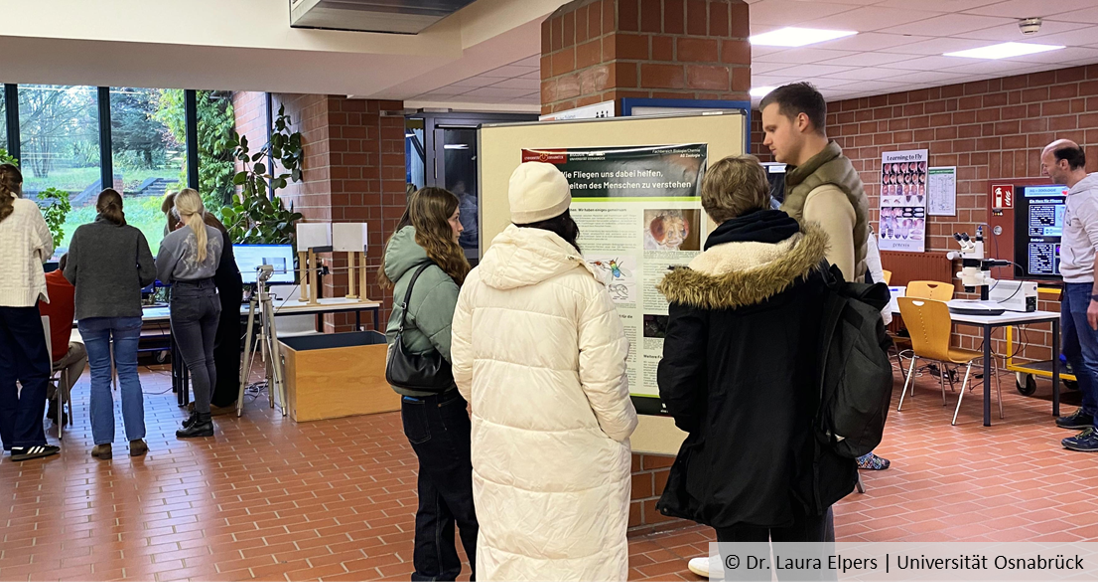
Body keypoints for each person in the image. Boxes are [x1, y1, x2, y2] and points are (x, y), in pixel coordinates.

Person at [656, 156, 855, 562]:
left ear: (710, 209)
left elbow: (679, 385)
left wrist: (711, 427)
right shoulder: (813, 268)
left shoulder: (697, 283)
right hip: (805, 453)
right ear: (766, 197)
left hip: (731, 458)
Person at [451, 162, 637, 581]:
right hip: (574, 459)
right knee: (574, 560)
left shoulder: (478, 281)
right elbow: (605, 384)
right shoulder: (584, 288)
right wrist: (622, 428)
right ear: (564, 215)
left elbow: (465, 372)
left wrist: (498, 412)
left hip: (500, 449)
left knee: (510, 554)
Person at [761, 81, 889, 472]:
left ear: (801, 122)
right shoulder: (812, 179)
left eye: (771, 129)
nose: (765, 140)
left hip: (816, 363)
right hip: (807, 355)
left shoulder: (824, 193)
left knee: (810, 484)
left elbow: (833, 290)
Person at [379, 187, 478, 582]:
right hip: (439, 408)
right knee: (468, 501)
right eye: (454, 219)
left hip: (420, 408)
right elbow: (460, 349)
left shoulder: (415, 268)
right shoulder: (434, 280)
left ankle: (432, 575)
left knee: (435, 502)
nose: (462, 226)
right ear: (438, 226)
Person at [65, 189, 156, 459]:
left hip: (91, 313)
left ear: (97, 207)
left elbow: (70, 274)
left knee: (101, 376)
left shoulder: (81, 234)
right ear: (121, 206)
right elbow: (150, 273)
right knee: (128, 373)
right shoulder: (134, 234)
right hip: (127, 311)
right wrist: (130, 284)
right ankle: (136, 440)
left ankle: (103, 444)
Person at [0, 163, 60, 462]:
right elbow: (47, 247)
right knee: (36, 370)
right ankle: (28, 439)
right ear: (19, 184)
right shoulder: (26, 209)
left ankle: (11, 438)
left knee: (4, 372)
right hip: (20, 298)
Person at [163, 192, 243, 413]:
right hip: (227, 285)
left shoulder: (197, 228)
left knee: (217, 346)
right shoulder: (211, 223)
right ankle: (219, 397)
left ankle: (218, 400)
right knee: (222, 343)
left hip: (215, 288)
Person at [1042, 139, 1098, 452]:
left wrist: (1095, 298)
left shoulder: (1089, 196)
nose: (1044, 170)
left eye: (1047, 163)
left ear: (1064, 164)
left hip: (1087, 288)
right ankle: (1089, 410)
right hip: (1072, 285)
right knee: (1072, 353)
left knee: (1094, 358)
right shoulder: (1075, 195)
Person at [157, 189, 224, 438]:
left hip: (185, 299)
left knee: (195, 362)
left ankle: (203, 420)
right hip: (211, 296)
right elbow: (215, 266)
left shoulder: (174, 239)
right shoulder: (217, 235)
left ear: (177, 211)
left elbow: (161, 276)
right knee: (208, 359)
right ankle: (202, 412)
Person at [40, 253, 87, 424]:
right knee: (82, 351)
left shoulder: (40, 282)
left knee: (27, 368)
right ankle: (60, 397)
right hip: (57, 355)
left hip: (28, 355)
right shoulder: (77, 291)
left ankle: (51, 393)